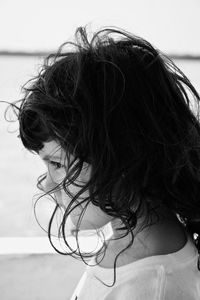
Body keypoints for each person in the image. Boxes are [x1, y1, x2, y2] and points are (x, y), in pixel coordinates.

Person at [6, 25, 200, 299]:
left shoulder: (151, 288)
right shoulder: (128, 246)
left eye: (57, 164)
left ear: (124, 157)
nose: (46, 185)